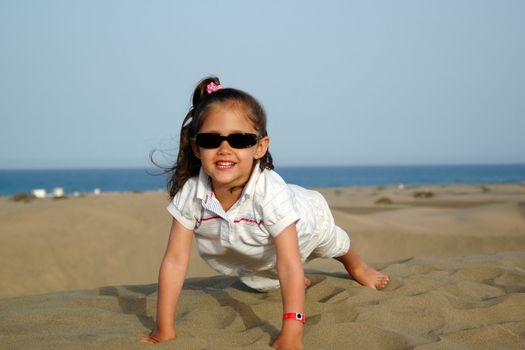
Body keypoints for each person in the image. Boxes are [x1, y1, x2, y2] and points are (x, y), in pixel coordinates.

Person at [141, 76, 389, 349]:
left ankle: (356, 265)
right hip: (255, 250)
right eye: (212, 139)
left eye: (240, 139)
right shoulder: (191, 193)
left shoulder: (271, 195)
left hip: (305, 221)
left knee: (331, 241)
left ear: (259, 147)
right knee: (260, 281)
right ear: (197, 147)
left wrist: (292, 332)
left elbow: (290, 264)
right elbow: (175, 261)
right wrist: (164, 327)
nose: (225, 148)